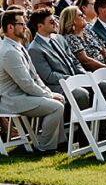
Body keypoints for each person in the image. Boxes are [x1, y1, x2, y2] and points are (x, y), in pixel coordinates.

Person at [27, 8, 106, 113]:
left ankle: (104, 126)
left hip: (75, 78)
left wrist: (85, 76)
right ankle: (81, 127)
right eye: (51, 22)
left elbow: (75, 62)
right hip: (58, 85)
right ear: (40, 26)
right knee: (81, 94)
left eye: (55, 20)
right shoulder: (35, 49)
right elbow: (49, 76)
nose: (56, 23)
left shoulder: (59, 38)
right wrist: (73, 79)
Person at [0, 9, 65, 153]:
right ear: (10, 27)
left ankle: (60, 144)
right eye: (21, 24)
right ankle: (45, 148)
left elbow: (35, 76)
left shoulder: (18, 46)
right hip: (12, 100)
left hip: (23, 95)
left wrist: (49, 92)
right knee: (56, 107)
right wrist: (48, 96)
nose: (25, 27)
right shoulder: (8, 51)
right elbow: (26, 84)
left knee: (59, 100)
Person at [61, 5, 106, 70]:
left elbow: (103, 48)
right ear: (73, 20)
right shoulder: (69, 38)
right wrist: (105, 67)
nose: (84, 16)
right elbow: (85, 60)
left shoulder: (88, 31)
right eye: (80, 16)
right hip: (93, 72)